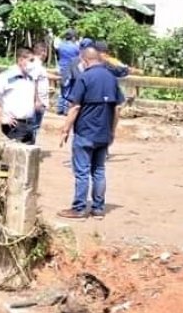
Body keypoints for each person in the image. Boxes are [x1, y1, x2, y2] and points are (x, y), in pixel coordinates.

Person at [58, 47, 124, 219]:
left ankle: (79, 208)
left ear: (84, 60)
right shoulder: (111, 78)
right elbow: (117, 108)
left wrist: (65, 130)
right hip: (104, 133)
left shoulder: (84, 77)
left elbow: (75, 107)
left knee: (82, 172)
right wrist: (112, 131)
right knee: (99, 170)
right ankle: (98, 208)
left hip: (85, 132)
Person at [0, 48, 39, 145]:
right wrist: (2, 118)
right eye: (31, 60)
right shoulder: (6, 77)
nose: (33, 64)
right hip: (14, 126)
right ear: (21, 60)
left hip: (29, 125)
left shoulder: (30, 78)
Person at [54, 30, 81, 115]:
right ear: (73, 37)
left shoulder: (61, 46)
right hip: (72, 70)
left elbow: (58, 55)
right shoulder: (76, 47)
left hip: (62, 68)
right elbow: (79, 57)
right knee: (70, 89)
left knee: (62, 88)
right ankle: (66, 109)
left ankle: (59, 108)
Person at [29, 42, 50, 144]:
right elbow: (34, 82)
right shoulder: (36, 65)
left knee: (34, 126)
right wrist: (37, 100)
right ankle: (29, 147)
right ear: (43, 52)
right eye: (46, 52)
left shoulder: (37, 65)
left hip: (38, 100)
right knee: (34, 126)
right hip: (37, 101)